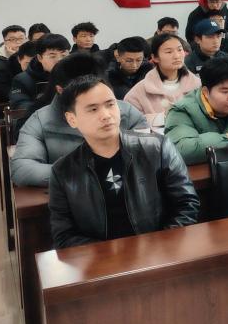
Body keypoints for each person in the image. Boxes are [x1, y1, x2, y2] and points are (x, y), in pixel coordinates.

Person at [47, 75, 198, 249]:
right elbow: (64, 236)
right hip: (102, 260)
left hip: (159, 253)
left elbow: (187, 205)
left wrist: (157, 248)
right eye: (93, 109)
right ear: (71, 119)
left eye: (110, 104)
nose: (106, 115)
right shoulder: (63, 171)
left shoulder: (157, 148)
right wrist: (111, 255)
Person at [10, 54, 148, 187]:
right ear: (60, 89)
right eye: (83, 91)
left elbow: (146, 158)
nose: (105, 115)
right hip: (69, 196)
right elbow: (22, 169)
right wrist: (87, 174)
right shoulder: (40, 120)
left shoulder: (128, 113)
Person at [125, 33, 201, 126]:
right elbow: (130, 124)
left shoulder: (198, 85)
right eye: (169, 52)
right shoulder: (137, 94)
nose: (177, 56)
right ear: (155, 58)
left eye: (179, 50)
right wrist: (162, 117)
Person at [10, 33, 70, 110]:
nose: (59, 60)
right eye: (52, 56)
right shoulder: (22, 80)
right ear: (40, 58)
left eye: (64, 55)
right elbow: (21, 106)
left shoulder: (76, 75)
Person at [0, 24, 27, 103]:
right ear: (5, 42)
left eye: (21, 38)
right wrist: (14, 57)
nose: (18, 42)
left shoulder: (35, 57)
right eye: (12, 39)